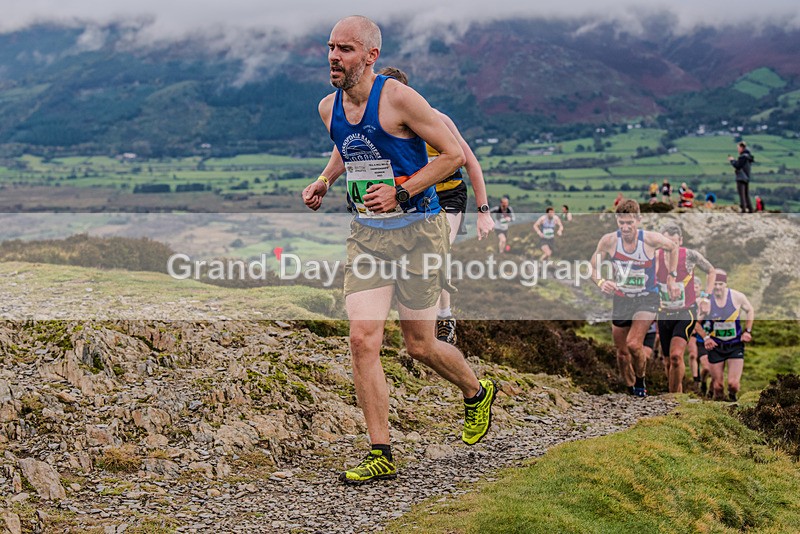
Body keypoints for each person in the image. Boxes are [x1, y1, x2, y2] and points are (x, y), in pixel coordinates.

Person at [302, 16, 497, 484]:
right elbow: (348, 147)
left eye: (345, 49)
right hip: (368, 235)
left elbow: (453, 155)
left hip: (418, 232)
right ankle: (381, 452)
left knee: (420, 345)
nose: (334, 57)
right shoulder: (328, 107)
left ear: (371, 56)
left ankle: (475, 391)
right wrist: (325, 180)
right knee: (362, 340)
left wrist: (402, 192)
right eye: (330, 47)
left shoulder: (399, 99)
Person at [376, 67, 494, 346]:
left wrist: (484, 212)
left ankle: (445, 318)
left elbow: (471, 163)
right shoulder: (382, 125)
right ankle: (418, 323)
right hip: (415, 198)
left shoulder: (437, 119)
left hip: (449, 195)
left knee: (435, 251)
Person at [591, 200, 680, 397]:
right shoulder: (609, 241)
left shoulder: (650, 239)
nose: (625, 227)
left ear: (638, 220)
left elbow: (673, 247)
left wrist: (671, 277)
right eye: (621, 222)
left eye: (629, 223)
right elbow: (593, 267)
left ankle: (641, 382)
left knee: (633, 344)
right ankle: (630, 388)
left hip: (647, 298)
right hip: (622, 299)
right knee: (622, 353)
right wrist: (601, 282)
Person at [655, 224, 716, 394]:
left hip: (686, 312)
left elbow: (711, 271)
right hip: (664, 313)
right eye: (667, 242)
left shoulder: (690, 255)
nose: (670, 246)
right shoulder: (655, 257)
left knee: (676, 356)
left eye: (674, 243)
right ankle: (677, 394)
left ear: (680, 241)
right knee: (668, 361)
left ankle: (673, 398)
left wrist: (706, 296)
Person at [702, 270, 754, 401]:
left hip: (735, 345)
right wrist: (706, 338)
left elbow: (750, 310)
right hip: (715, 346)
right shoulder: (706, 301)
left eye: (720, 284)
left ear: (725, 284)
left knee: (733, 385)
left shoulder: (737, 296)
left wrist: (747, 331)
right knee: (718, 387)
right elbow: (696, 324)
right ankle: (719, 409)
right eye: (715, 284)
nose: (717, 287)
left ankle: (732, 397)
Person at [728, 142, 755, 213]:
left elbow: (738, 165)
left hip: (741, 177)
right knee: (746, 194)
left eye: (738, 148)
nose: (738, 150)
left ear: (742, 148)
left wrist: (732, 160)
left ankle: (743, 209)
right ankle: (750, 209)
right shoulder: (748, 157)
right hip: (747, 177)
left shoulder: (743, 157)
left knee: (742, 194)